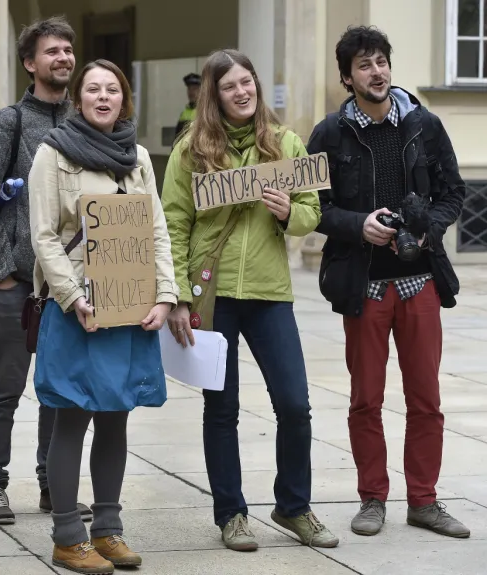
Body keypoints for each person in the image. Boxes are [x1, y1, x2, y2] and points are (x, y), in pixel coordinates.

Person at [161, 49, 338, 552]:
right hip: (211, 293)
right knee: (222, 409)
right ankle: (231, 514)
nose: (242, 92)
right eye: (229, 86)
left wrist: (287, 214)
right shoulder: (190, 151)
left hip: (268, 291)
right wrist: (175, 294)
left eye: (248, 82)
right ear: (214, 95)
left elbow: (312, 211)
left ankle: (294, 505)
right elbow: (173, 224)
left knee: (295, 404)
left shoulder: (284, 143)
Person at [307, 26, 469, 539]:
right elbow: (314, 208)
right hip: (365, 285)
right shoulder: (329, 134)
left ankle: (423, 500)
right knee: (366, 399)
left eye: (381, 62)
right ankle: (372, 498)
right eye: (364, 65)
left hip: (419, 280)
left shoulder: (425, 124)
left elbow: (453, 192)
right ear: (347, 77)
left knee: (426, 399)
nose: (376, 72)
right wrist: (360, 226)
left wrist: (428, 229)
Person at [28, 58, 175, 574]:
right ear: (80, 98)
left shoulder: (136, 157)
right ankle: (68, 536)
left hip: (129, 307)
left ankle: (108, 530)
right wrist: (71, 297)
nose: (104, 97)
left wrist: (165, 296)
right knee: (72, 417)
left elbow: (155, 228)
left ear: (123, 98)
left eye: (113, 89)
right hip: (80, 309)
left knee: (117, 416)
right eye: (94, 89)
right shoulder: (53, 154)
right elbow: (43, 235)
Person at [0, 15, 93, 525]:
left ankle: (51, 483)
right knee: (7, 386)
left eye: (68, 50)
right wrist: (3, 271)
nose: (63, 58)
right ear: (29, 63)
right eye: (51, 52)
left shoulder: (85, 122)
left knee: (59, 389)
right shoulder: (8, 124)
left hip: (67, 286)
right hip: (18, 284)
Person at [173, 72, 201, 138]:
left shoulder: (205, 111)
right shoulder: (184, 113)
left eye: (194, 89)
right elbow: (177, 138)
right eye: (189, 89)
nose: (191, 92)